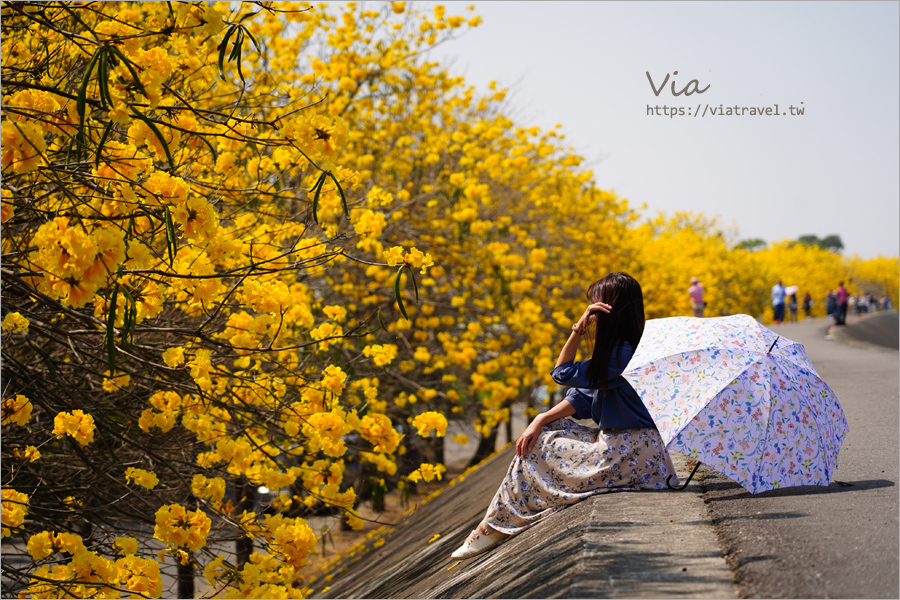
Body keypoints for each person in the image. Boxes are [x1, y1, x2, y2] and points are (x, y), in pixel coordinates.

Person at [450, 272, 677, 560]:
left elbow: (562, 373)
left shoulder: (620, 355)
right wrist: (540, 418)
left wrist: (577, 330)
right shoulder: (628, 350)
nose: (592, 316)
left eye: (595, 308)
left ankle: (494, 526)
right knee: (546, 432)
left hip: (626, 451)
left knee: (536, 447)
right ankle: (495, 523)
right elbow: (583, 399)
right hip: (642, 453)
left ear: (610, 310)